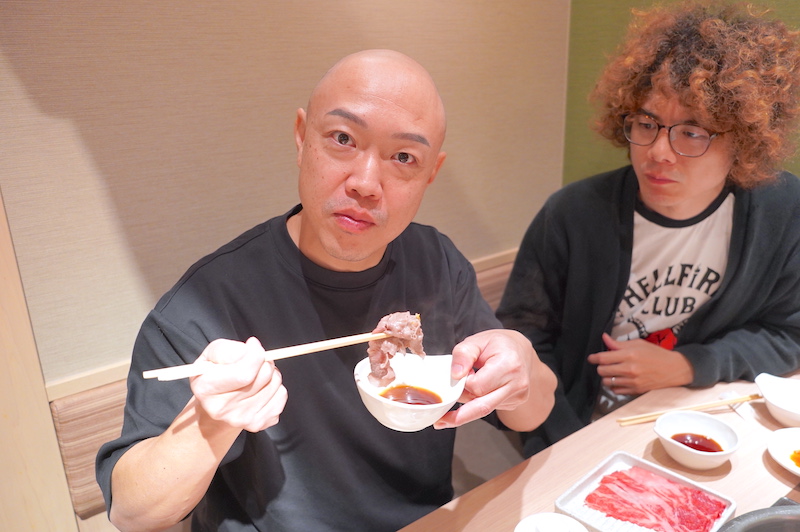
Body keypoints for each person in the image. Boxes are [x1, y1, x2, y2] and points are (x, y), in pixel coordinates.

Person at [96, 49, 556, 531]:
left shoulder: (437, 262)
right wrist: (212, 423)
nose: (366, 184)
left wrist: (521, 359)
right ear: (301, 138)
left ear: (430, 174)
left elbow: (532, 412)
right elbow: (131, 512)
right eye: (343, 138)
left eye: (404, 157)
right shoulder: (206, 303)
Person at [497, 0, 800, 459]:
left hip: (706, 424)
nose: (658, 151)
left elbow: (789, 334)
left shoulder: (780, 212)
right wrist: (561, 445)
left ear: (743, 141)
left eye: (692, 132)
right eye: (646, 124)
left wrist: (688, 366)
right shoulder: (574, 214)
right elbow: (523, 343)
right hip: (582, 432)